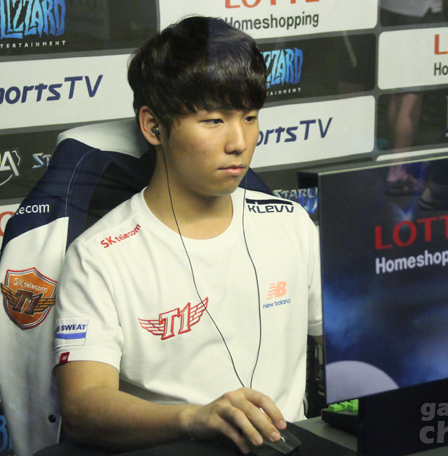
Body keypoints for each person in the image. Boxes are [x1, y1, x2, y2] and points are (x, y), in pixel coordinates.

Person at [52, 16, 322, 455]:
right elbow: (82, 405)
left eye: (250, 117)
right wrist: (197, 418)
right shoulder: (99, 255)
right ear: (153, 127)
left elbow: (358, 346)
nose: (239, 141)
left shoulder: (291, 223)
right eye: (213, 120)